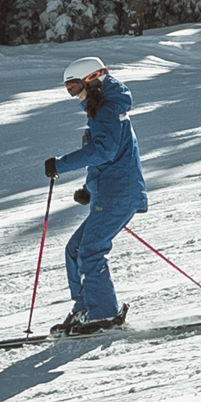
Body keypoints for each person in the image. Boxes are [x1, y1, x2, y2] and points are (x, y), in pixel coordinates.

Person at [42, 56, 150, 335]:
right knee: (75, 249)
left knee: (90, 250)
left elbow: (105, 151)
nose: (72, 93)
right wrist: (90, 190)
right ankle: (85, 308)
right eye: (68, 88)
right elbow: (107, 154)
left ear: (92, 80)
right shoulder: (104, 108)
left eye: (74, 86)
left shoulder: (107, 110)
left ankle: (103, 314)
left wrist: (60, 164)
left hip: (120, 193)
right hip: (111, 191)